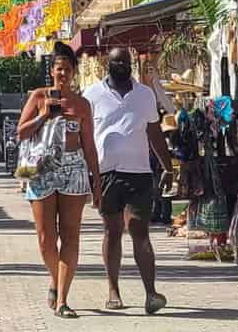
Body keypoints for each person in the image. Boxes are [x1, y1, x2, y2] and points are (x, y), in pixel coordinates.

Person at [84, 47, 171, 315]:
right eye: (116, 61)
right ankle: (113, 291)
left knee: (138, 228)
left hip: (140, 173)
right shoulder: (91, 95)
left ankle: (150, 293)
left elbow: (155, 132)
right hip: (106, 173)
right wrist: (87, 174)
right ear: (106, 65)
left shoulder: (145, 94)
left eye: (125, 61)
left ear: (131, 64)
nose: (121, 65)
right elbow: (85, 137)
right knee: (112, 230)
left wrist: (168, 167)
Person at [18, 41, 101, 319]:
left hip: (73, 170)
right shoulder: (39, 97)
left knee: (70, 235)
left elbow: (89, 146)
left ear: (74, 72)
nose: (62, 74)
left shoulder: (82, 104)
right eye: (58, 69)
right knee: (45, 238)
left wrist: (96, 182)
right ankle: (55, 279)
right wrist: (43, 116)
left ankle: (63, 298)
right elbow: (20, 133)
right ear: (51, 71)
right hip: (41, 171)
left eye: (67, 69)